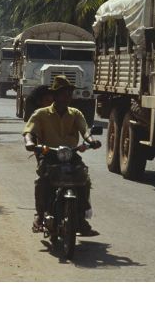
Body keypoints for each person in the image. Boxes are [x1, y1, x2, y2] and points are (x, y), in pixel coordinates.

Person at [22, 75, 101, 236]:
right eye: (64, 93)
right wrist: (29, 142)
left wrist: (92, 141)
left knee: (83, 177)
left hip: (70, 154)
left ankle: (81, 216)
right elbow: (28, 131)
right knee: (42, 180)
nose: (67, 97)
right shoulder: (41, 114)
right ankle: (40, 214)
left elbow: (85, 130)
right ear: (55, 95)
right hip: (49, 154)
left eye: (69, 93)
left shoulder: (75, 113)